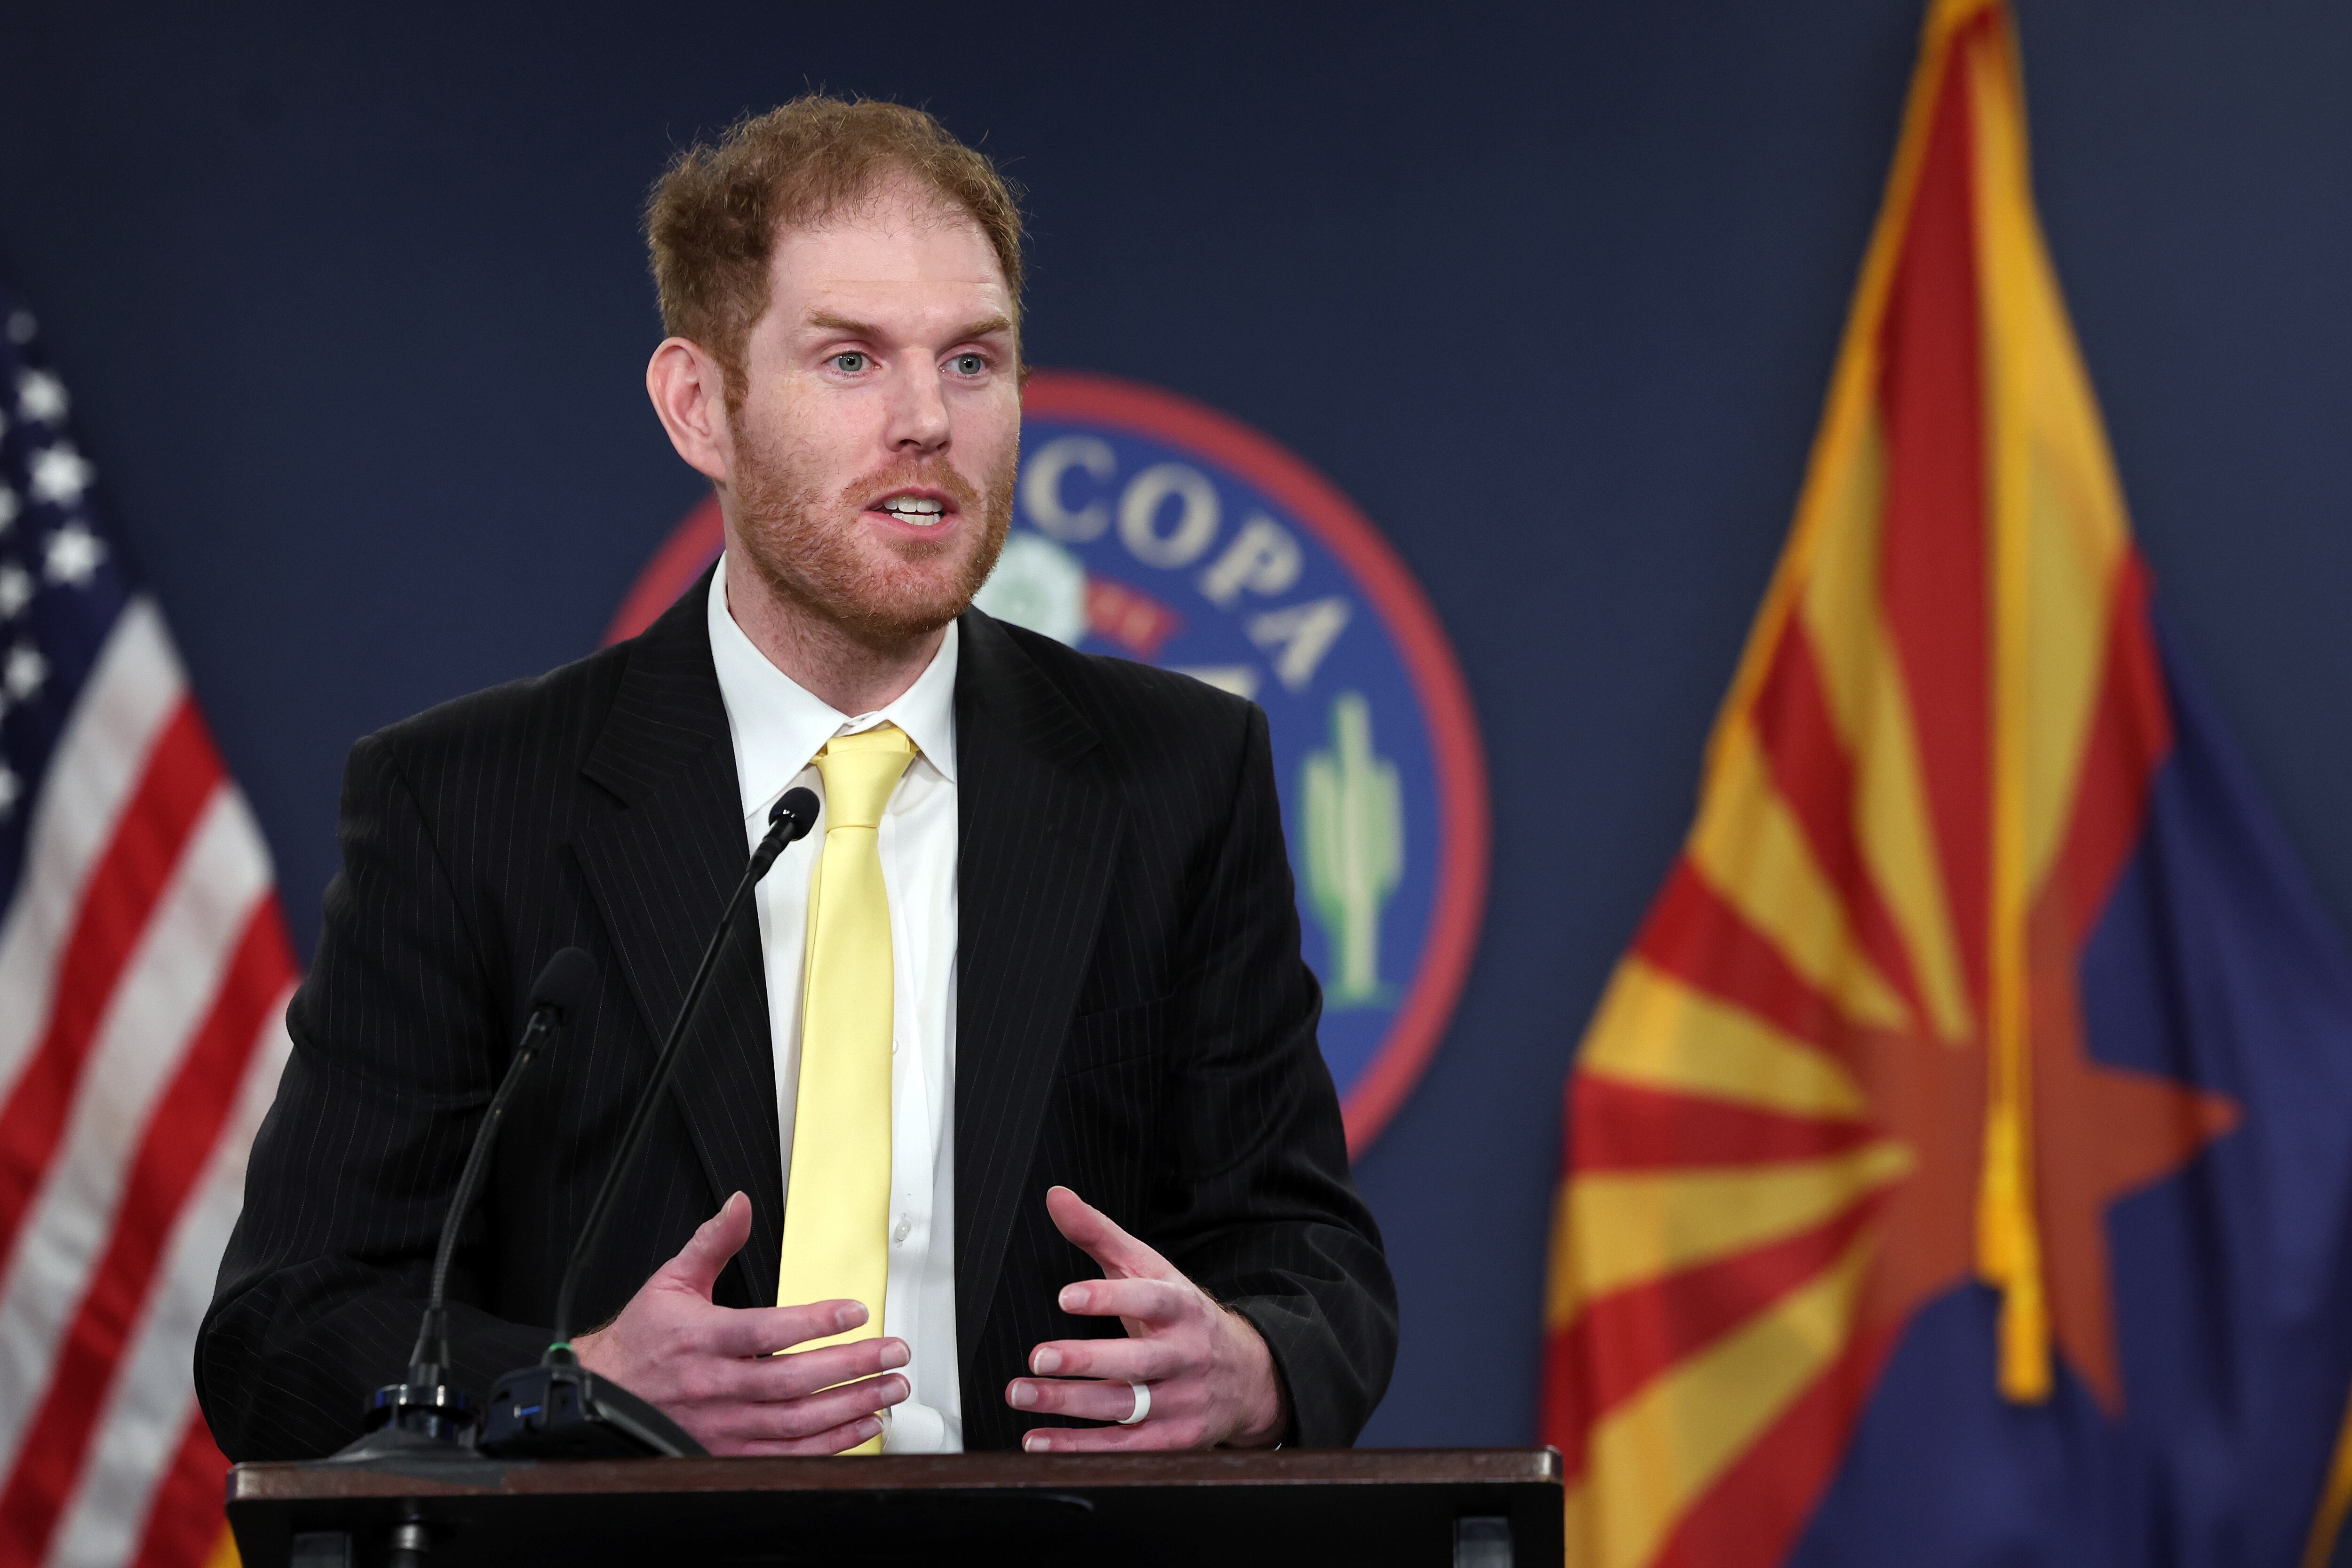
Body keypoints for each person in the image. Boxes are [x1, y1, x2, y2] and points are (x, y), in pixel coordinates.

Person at [196, 95, 1395, 1459]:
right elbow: (282, 1326)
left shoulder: (1174, 775)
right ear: (701, 406)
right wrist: (576, 1382)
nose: (927, 421)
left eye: (973, 362)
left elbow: (1316, 1272)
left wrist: (1247, 1367)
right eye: (849, 361)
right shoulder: (469, 804)